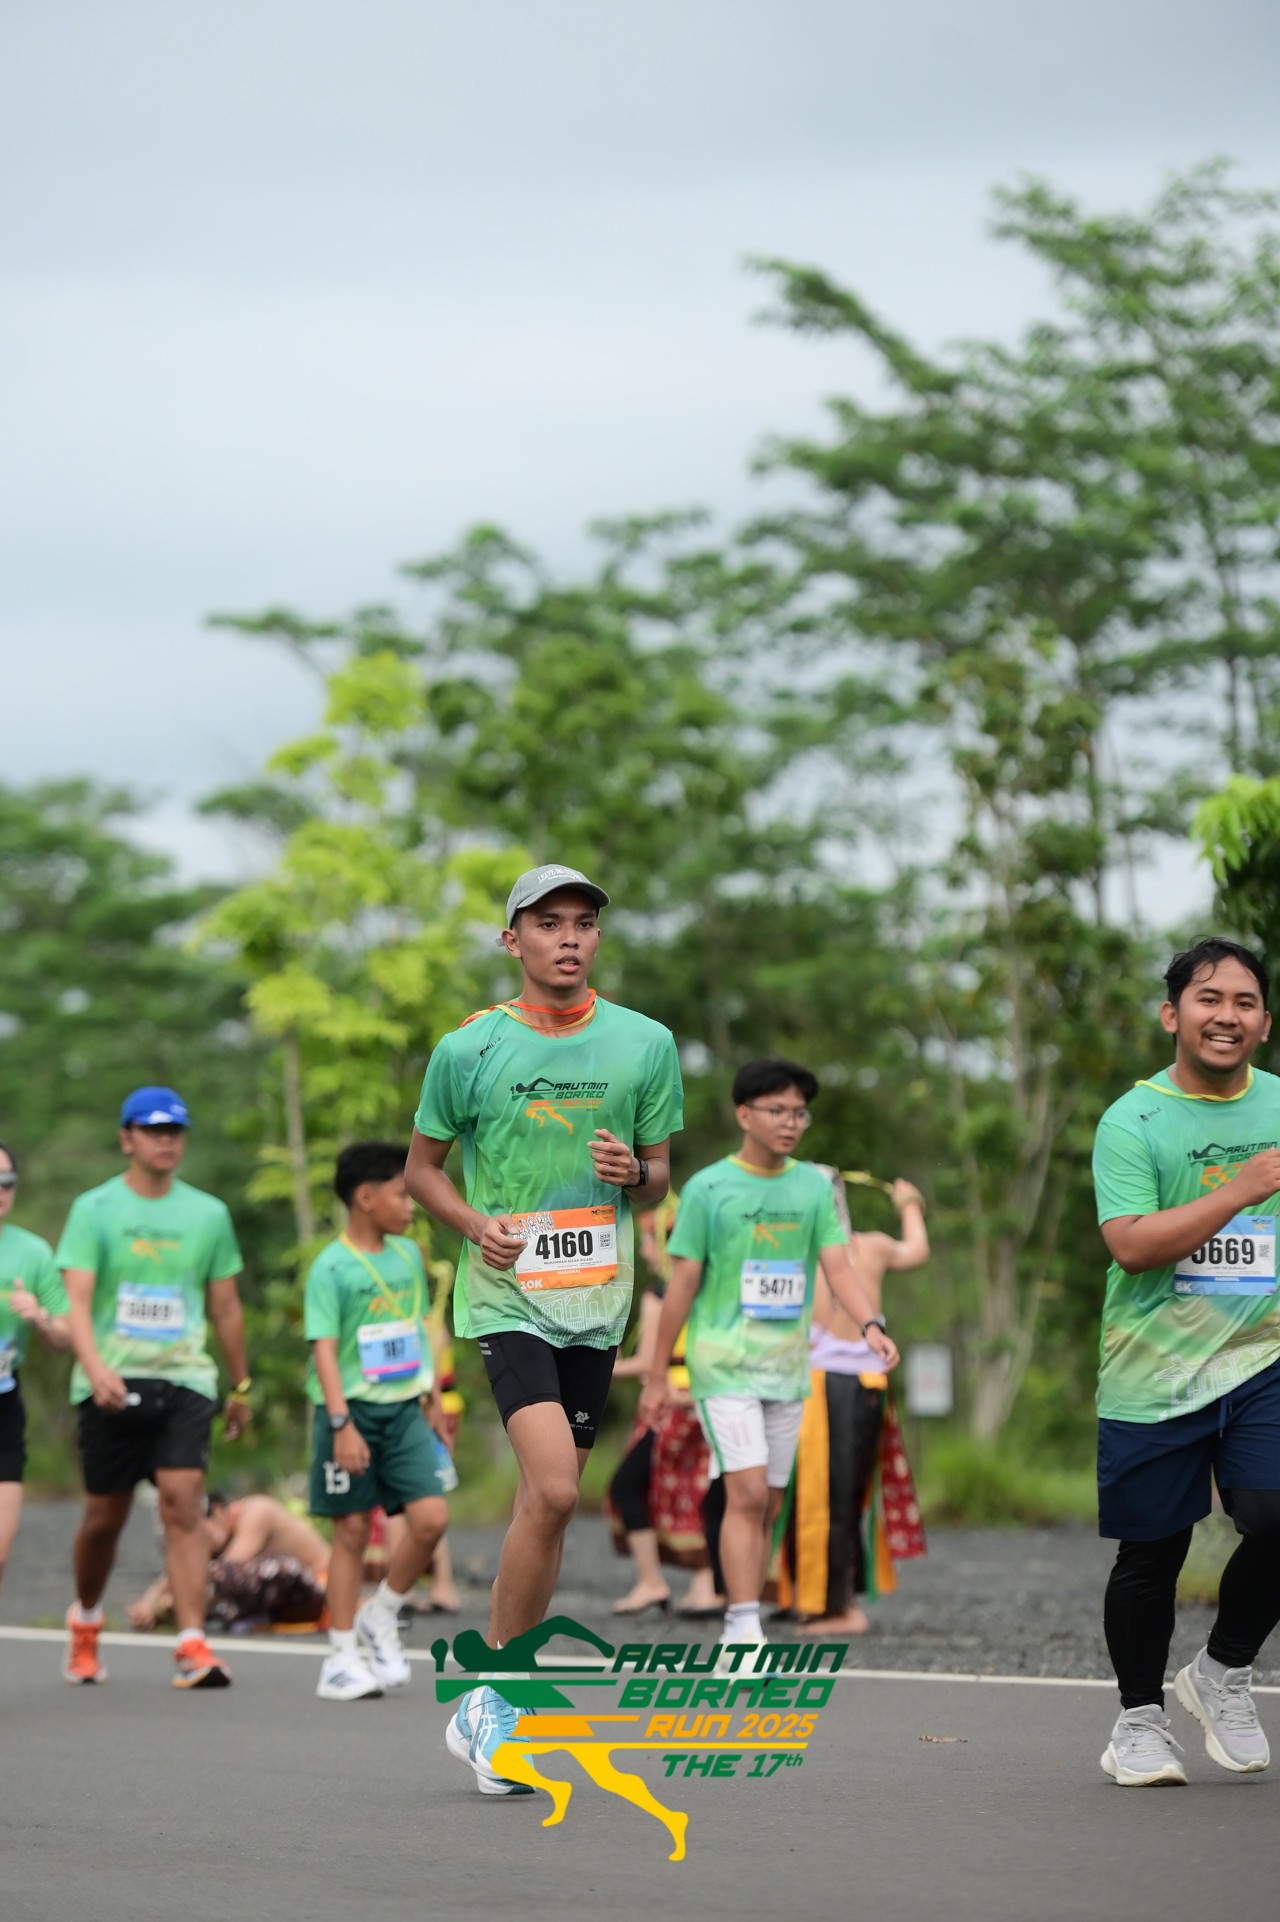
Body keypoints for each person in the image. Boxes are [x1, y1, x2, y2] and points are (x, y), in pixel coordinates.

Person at [406, 862, 683, 1792]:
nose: (569, 938)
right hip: (508, 1295)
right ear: (512, 938)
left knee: (542, 1504)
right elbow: (421, 1171)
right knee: (559, 1492)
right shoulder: (470, 1048)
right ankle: (496, 1693)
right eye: (549, 922)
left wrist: (632, 1172)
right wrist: (473, 1223)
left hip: (597, 1303)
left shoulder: (645, 1043)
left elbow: (658, 1177)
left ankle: (493, 1701)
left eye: (584, 923)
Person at [1093, 938, 1280, 1786]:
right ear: (1173, 1015)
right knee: (1152, 1554)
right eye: (1209, 999)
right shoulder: (1133, 1120)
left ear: (1264, 1022)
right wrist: (1240, 1188)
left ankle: (1222, 1672)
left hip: (1263, 1358)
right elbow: (1132, 1246)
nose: (1226, 1016)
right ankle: (1139, 1720)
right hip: (1155, 1368)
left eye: (1244, 1002)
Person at [639, 1058, 899, 1662]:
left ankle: (747, 1611)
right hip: (723, 1365)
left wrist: (871, 1325)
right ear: (744, 1115)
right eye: (777, 1111)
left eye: (800, 1113)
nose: (790, 1123)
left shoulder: (812, 1187)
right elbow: (681, 1285)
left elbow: (838, 1267)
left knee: (770, 1503)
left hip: (788, 1368)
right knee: (749, 1493)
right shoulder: (709, 1188)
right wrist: (655, 1372)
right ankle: (741, 1625)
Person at [56, 1086, 252, 1689]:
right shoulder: (94, 1209)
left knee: (183, 1500)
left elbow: (225, 1307)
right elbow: (76, 1302)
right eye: (154, 1130)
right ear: (127, 1138)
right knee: (103, 1518)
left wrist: (240, 1384)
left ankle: (192, 1642)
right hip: (111, 1379)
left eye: (175, 1131)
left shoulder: (208, 1214)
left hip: (185, 1376)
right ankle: (87, 1618)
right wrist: (94, 1367)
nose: (167, 1141)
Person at [307, 1140, 455, 1703]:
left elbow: (418, 1328)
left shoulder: (409, 1255)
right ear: (365, 1198)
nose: (412, 1205)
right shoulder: (331, 1266)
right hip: (351, 1411)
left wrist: (434, 1399)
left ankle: (383, 1611)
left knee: (431, 1518)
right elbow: (324, 1351)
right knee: (349, 1532)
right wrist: (341, 1423)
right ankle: (341, 1657)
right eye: (401, 1194)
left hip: (406, 1408)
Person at [784, 1172, 929, 1635]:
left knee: (838, 1495)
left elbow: (916, 1254)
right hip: (812, 1382)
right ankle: (809, 1596)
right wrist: (909, 1205)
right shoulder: (807, 1249)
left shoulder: (850, 1248)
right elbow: (916, 1248)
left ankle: (839, 1605)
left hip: (849, 1383)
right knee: (805, 1495)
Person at [606, 1212, 721, 1617]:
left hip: (674, 1404)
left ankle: (652, 1581)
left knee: (627, 1485)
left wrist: (605, 1368)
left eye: (649, 1241)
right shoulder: (714, 1289)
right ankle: (705, 1584)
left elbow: (648, 1361)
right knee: (697, 1491)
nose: (645, 1251)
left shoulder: (661, 1294)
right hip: (707, 1399)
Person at [0, 1140, 72, 1599]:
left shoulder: (32, 1252)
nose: (0, 1190)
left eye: (7, 1181)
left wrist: (40, 1318)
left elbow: (65, 1337)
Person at [127, 1492, 331, 1632]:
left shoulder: (257, 1512)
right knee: (200, 1578)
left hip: (324, 1591)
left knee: (225, 1576)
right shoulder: (220, 1541)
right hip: (286, 1608)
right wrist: (149, 1601)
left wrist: (172, 1599)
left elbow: (225, 1570)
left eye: (200, 1536)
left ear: (217, 1512)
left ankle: (182, 1610)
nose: (199, 1546)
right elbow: (186, 1566)